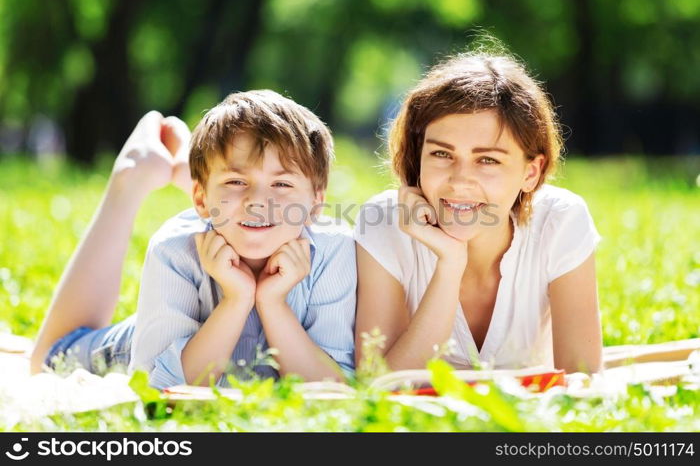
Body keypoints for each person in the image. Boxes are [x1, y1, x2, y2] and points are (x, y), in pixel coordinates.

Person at [30, 90, 356, 389]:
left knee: (234, 206)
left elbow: (333, 389)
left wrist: (271, 302)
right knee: (46, 358)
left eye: (282, 185)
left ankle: (205, 174)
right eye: (237, 180)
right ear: (198, 200)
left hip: (203, 286)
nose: (259, 200)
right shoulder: (175, 248)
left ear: (316, 203)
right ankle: (132, 174)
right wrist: (236, 299)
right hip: (158, 340)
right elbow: (161, 391)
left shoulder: (332, 250)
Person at [354, 51, 603, 375]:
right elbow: (379, 384)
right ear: (419, 158)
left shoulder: (561, 220)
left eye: (488, 160)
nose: (459, 181)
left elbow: (583, 382)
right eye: (442, 154)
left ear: (531, 172)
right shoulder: (384, 223)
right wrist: (449, 263)